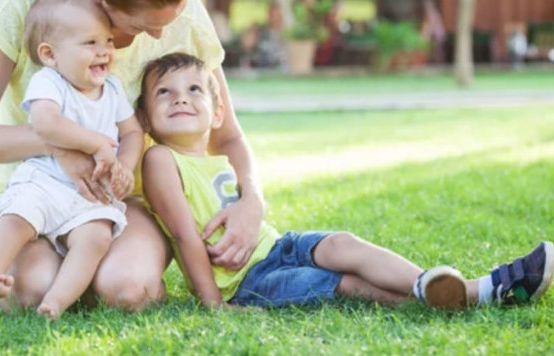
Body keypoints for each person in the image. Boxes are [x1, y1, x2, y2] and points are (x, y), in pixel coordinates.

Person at [0, 0, 264, 312]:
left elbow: (227, 137)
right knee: (32, 294)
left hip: (123, 202)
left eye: (165, 25)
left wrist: (251, 201)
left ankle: (111, 269)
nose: (156, 38)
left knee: (127, 291)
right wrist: (63, 147)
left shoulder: (183, 15)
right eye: (138, 26)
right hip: (36, 190)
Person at [138, 52, 554, 309]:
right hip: (248, 281)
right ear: (144, 119)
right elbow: (184, 237)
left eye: (194, 88)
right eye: (164, 92)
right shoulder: (160, 159)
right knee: (346, 285)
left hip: (279, 246)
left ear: (216, 113)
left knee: (343, 243)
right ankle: (480, 292)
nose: (180, 97)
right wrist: (213, 304)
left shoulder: (220, 155)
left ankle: (430, 282)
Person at [0, 0, 143, 320]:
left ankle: (56, 302)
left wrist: (125, 165)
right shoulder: (49, 82)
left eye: (107, 40)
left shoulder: (113, 89)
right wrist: (96, 144)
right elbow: (45, 123)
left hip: (89, 194)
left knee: (96, 237)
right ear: (50, 55)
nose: (104, 51)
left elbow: (133, 131)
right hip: (43, 183)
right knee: (16, 220)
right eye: (90, 43)